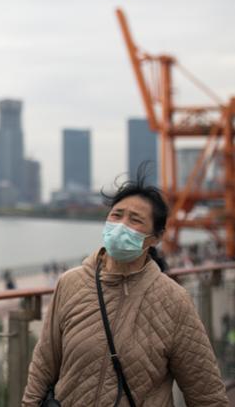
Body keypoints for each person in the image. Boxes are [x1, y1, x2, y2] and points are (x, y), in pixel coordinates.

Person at [22, 171, 229, 406]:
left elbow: (205, 390)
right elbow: (43, 365)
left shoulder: (174, 300)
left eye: (135, 220)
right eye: (116, 215)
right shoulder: (70, 283)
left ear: (155, 238)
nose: (121, 225)